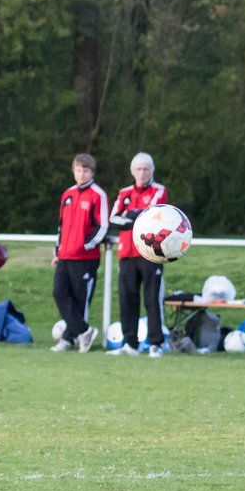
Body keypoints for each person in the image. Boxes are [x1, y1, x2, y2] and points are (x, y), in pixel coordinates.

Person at [107, 152, 168, 358]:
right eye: (139, 169)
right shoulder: (124, 193)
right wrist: (137, 216)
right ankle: (130, 344)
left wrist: (130, 215)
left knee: (152, 299)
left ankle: (155, 344)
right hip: (127, 253)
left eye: (146, 169)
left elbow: (154, 216)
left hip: (151, 252)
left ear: (152, 170)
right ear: (132, 171)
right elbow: (113, 219)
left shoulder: (159, 191)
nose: (142, 173)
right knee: (127, 299)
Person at [51, 153, 108, 353]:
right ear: (73, 171)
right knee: (59, 293)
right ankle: (84, 332)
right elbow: (61, 226)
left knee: (80, 299)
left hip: (85, 258)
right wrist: (57, 251)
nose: (81, 174)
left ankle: (70, 339)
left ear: (92, 172)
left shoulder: (97, 195)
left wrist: (85, 245)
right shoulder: (67, 194)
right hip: (64, 256)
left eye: (85, 171)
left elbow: (102, 227)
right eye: (78, 170)